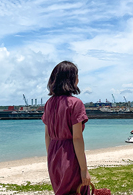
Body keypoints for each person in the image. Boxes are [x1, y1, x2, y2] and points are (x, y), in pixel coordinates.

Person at [42, 61, 91, 195]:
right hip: (70, 155)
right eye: (77, 76)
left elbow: (47, 136)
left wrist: (51, 156)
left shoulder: (49, 103)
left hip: (53, 156)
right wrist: (83, 169)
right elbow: (76, 138)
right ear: (71, 79)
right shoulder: (75, 103)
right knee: (79, 191)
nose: (78, 79)